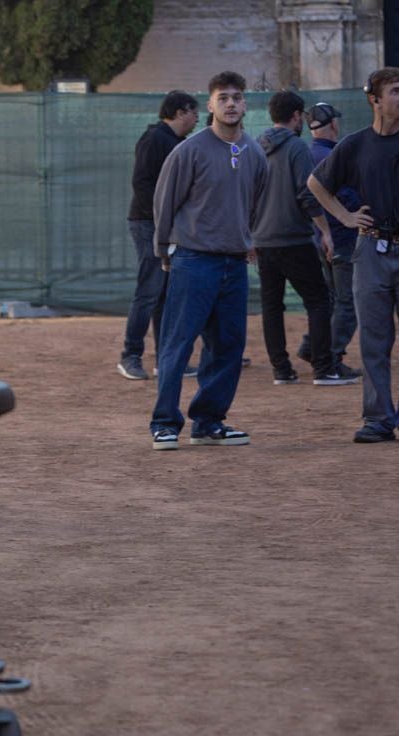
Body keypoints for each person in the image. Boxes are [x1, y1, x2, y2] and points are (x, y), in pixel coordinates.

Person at [308, 67, 399, 443]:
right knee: (374, 339)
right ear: (375, 99)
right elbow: (315, 184)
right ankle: (378, 419)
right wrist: (345, 217)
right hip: (369, 249)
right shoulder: (354, 145)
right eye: (396, 91)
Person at [150, 71, 267, 451]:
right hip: (193, 261)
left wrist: (246, 238)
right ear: (211, 105)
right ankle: (165, 424)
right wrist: (164, 248)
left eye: (237, 97)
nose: (231, 104)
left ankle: (209, 422)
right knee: (177, 344)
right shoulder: (189, 150)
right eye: (224, 98)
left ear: (245, 104)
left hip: (234, 265)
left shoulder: (254, 151)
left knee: (228, 346)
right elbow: (165, 202)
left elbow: (257, 200)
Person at [251, 90, 355, 387]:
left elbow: (247, 192)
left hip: (263, 239)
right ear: (296, 116)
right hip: (293, 238)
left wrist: (249, 233)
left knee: (272, 306)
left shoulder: (256, 145)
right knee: (320, 301)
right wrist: (325, 231)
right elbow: (307, 194)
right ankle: (324, 368)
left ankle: (281, 370)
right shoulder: (297, 147)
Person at [118, 90, 199, 381]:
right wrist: (161, 217)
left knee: (164, 293)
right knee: (149, 290)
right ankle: (130, 356)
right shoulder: (155, 139)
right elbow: (141, 183)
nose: (197, 118)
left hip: (165, 226)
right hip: (147, 224)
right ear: (179, 113)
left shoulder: (177, 143)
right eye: (193, 112)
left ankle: (166, 360)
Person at [296, 102, 362, 378]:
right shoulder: (332, 156)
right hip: (342, 237)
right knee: (348, 303)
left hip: (321, 238)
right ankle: (331, 358)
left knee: (332, 300)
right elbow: (341, 195)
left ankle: (313, 346)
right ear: (333, 124)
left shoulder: (309, 152)